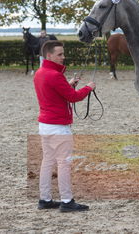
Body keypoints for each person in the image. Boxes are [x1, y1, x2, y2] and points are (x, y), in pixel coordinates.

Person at [33, 40, 96, 212]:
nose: (63, 57)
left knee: (47, 161)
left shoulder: (40, 73)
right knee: (64, 163)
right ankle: (67, 201)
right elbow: (74, 98)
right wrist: (88, 88)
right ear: (49, 55)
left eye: (63, 53)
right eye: (59, 54)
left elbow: (55, 93)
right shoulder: (55, 75)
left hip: (45, 125)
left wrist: (68, 85)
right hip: (58, 126)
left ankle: (45, 199)